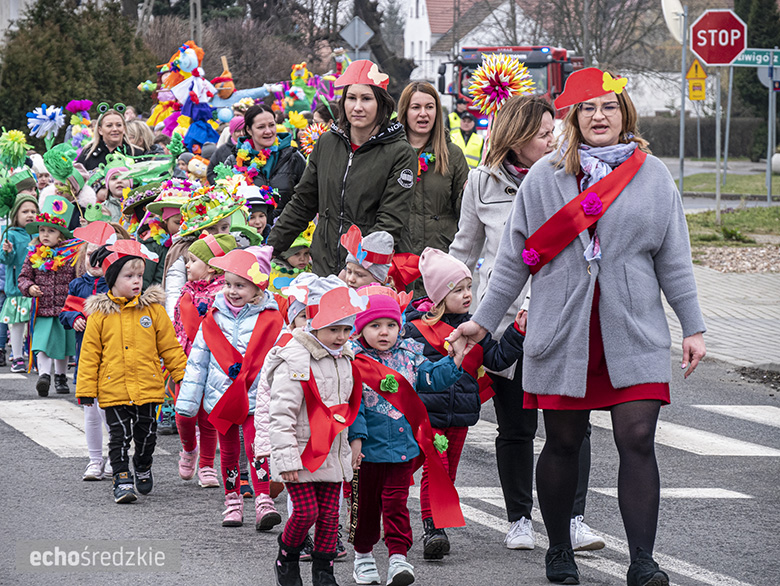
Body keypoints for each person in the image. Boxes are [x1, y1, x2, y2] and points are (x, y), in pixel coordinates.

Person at [448, 68, 707, 586]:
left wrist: (693, 326)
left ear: (624, 113)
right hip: (563, 328)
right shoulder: (546, 175)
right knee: (563, 443)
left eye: (608, 106)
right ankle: (559, 549)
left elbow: (674, 258)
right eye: (587, 109)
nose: (599, 116)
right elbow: (516, 259)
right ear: (573, 118)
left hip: (632, 328)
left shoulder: (652, 175)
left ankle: (643, 562)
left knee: (638, 437)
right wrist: (482, 322)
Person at [449, 94, 602, 553]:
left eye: (554, 130)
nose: (552, 138)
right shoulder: (481, 182)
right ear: (515, 138)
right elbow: (465, 250)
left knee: (573, 425)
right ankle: (519, 518)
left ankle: (574, 517)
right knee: (516, 427)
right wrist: (453, 306)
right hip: (506, 326)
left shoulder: (575, 176)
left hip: (563, 316)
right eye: (541, 134)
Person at [402, 248, 525, 559]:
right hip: (429, 416)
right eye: (458, 290)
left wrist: (516, 333)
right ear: (439, 297)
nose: (468, 295)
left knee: (445, 473)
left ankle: (398, 504)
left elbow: (496, 359)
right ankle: (433, 528)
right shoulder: (416, 330)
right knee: (436, 468)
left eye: (469, 287)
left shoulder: (475, 327)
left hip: (461, 415)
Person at [347, 285, 464, 583]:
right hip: (368, 451)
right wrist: (356, 440)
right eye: (375, 326)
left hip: (402, 447)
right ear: (362, 329)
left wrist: (454, 361)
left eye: (390, 325)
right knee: (367, 507)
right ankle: (363, 556)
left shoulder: (409, 355)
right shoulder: (354, 360)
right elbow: (354, 405)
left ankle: (399, 557)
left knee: (397, 503)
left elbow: (430, 378)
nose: (384, 332)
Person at [268, 59, 417, 277]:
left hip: (371, 272)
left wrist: (354, 269)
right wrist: (269, 249)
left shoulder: (400, 153)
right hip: (325, 267)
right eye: (351, 98)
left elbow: (390, 222)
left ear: (381, 105)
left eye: (366, 99)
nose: (357, 107)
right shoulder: (327, 143)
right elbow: (302, 203)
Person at [260, 276, 362, 586]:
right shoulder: (295, 356)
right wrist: (286, 459)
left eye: (346, 329)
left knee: (330, 517)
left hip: (332, 451)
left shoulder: (347, 357)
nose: (340, 337)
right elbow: (281, 413)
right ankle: (286, 557)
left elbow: (350, 407)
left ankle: (323, 571)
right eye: (333, 329)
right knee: (306, 513)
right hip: (301, 453)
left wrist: (354, 445)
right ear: (313, 322)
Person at [176, 246, 283, 529]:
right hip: (220, 398)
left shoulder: (273, 320)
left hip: (256, 399)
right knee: (229, 453)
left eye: (241, 285)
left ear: (258, 287)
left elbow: (281, 360)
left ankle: (263, 500)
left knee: (257, 450)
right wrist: (187, 402)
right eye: (228, 284)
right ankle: (232, 500)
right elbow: (198, 361)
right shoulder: (213, 318)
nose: (232, 291)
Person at [76, 240, 186, 504]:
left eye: (139, 275)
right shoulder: (100, 315)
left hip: (148, 387)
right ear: (112, 279)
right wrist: (86, 390)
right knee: (119, 437)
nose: (137, 281)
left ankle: (143, 463)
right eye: (129, 276)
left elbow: (169, 347)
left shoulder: (153, 310)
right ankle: (122, 478)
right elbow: (89, 355)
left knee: (147, 436)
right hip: (113, 388)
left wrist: (184, 377)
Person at [173, 234, 237, 490]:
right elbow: (179, 327)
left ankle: (207, 465)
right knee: (184, 413)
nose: (187, 265)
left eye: (193, 260)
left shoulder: (224, 295)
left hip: (213, 362)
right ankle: (189, 449)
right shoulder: (185, 294)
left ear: (211, 266)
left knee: (209, 416)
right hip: (187, 361)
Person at [59, 222, 115, 481]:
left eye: (101, 253)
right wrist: (73, 318)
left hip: (112, 356)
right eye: (91, 252)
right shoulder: (77, 285)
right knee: (90, 410)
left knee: (110, 410)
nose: (95, 258)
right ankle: (94, 460)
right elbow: (65, 312)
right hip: (85, 356)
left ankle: (116, 456)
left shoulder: (115, 286)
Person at [396, 82, 468, 260]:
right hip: (398, 258)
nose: (423, 113)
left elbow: (465, 215)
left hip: (440, 257)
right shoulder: (390, 153)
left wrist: (469, 193)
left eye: (429, 107)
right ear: (405, 111)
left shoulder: (452, 154)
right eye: (416, 107)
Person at [18, 196, 80, 396]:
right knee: (42, 344)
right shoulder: (33, 254)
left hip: (65, 308)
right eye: (42, 230)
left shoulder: (70, 255)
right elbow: (24, 277)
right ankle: (44, 375)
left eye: (50, 231)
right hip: (43, 308)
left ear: (61, 236)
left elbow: (78, 277)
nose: (45, 234)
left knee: (61, 346)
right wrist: (30, 288)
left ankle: (61, 377)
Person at [224, 105, 306, 213]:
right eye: (261, 127)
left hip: (288, 227)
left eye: (271, 125)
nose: (268, 131)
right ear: (249, 130)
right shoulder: (234, 161)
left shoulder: (293, 157)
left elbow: (306, 198)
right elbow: (225, 203)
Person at [0, 193, 38, 372]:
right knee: (17, 324)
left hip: (36, 287)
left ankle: (35, 356)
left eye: (33, 211)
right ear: (16, 215)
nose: (30, 214)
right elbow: (6, 261)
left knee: (36, 323)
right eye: (25, 211)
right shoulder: (11, 235)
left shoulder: (39, 234)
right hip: (16, 289)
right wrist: (7, 251)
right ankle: (17, 357)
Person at [76, 106, 143, 171]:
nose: (115, 129)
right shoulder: (88, 153)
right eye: (109, 125)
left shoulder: (136, 153)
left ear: (124, 128)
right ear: (100, 130)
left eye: (119, 125)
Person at [207, 116, 245, 184]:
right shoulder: (222, 150)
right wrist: (220, 184)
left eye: (244, 130)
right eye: (238, 131)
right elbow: (210, 172)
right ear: (232, 132)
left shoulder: (253, 148)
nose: (242, 134)